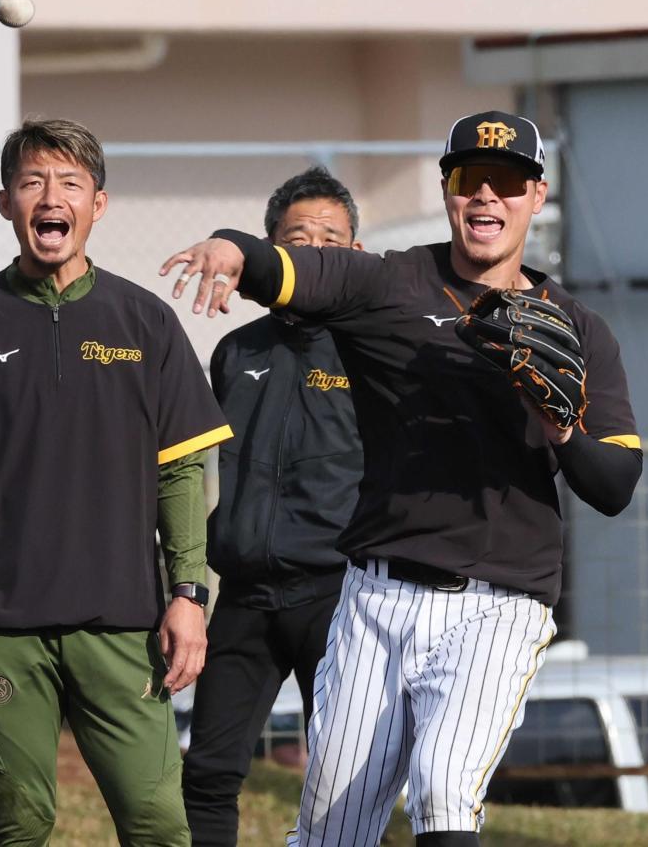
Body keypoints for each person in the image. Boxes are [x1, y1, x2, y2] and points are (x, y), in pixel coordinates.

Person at [160, 110, 643, 847]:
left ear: (536, 195)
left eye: (507, 182)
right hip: (376, 596)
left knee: (445, 792)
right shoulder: (389, 283)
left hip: (500, 604)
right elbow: (298, 269)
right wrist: (236, 249)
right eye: (468, 180)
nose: (487, 197)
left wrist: (563, 431)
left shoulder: (577, 328)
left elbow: (615, 484)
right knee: (333, 830)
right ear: (448, 191)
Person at [0, 118, 231, 846]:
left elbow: (181, 476)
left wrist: (188, 594)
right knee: (19, 826)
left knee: (158, 824)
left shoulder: (146, 322)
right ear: (7, 202)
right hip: (1, 625)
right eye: (33, 181)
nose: (52, 196)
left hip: (123, 624)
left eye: (70, 182)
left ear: (96, 205)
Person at [181, 166, 365, 846]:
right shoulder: (235, 352)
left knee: (348, 780)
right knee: (207, 773)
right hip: (247, 596)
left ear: (355, 254)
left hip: (338, 597)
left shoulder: (373, 349)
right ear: (270, 249)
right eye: (298, 236)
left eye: (332, 238)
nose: (315, 248)